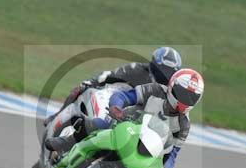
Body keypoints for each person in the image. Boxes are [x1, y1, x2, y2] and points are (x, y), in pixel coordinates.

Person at [46, 68, 205, 168]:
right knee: (96, 125)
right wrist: (117, 107)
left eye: (192, 97)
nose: (186, 100)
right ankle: (65, 141)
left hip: (146, 149)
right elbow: (125, 96)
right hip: (125, 124)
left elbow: (174, 152)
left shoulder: (184, 124)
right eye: (183, 94)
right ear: (172, 86)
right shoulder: (155, 90)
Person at [43, 47, 182, 127]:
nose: (164, 75)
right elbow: (108, 75)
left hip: (139, 116)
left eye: (169, 73)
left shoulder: (169, 89)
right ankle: (56, 117)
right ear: (154, 65)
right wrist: (89, 83)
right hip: (115, 101)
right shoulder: (137, 70)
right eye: (162, 69)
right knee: (79, 91)